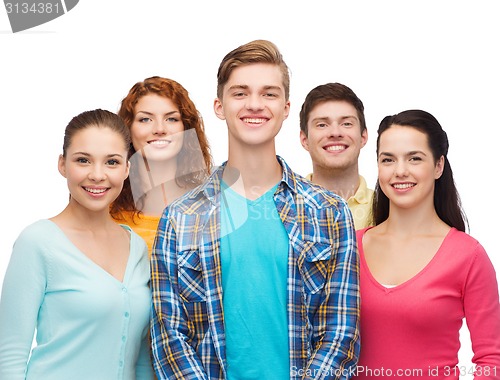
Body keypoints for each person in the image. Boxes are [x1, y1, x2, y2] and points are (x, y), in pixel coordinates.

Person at [150, 40, 360, 379]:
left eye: (269, 93)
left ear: (287, 107)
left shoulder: (330, 212)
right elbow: (169, 339)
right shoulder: (179, 218)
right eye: (240, 93)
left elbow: (340, 335)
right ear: (219, 106)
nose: (254, 104)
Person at [0, 109, 155, 380]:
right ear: (62, 164)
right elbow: (10, 355)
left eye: (112, 162)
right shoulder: (37, 242)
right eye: (83, 160)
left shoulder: (138, 248)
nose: (97, 175)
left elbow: (141, 357)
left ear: (127, 168)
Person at [353, 110, 500, 379]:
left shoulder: (468, 256)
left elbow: (492, 359)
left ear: (438, 166)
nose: (400, 171)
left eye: (414, 158)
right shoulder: (351, 246)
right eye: (388, 159)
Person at [110, 76, 212, 253]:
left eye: (171, 119)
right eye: (145, 119)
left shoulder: (210, 204)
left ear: (186, 128)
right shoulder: (106, 206)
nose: (159, 129)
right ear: (128, 129)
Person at [299, 82, 373, 229]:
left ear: (363, 137)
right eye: (322, 125)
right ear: (305, 140)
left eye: (346, 124)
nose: (335, 133)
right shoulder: (283, 207)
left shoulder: (389, 208)